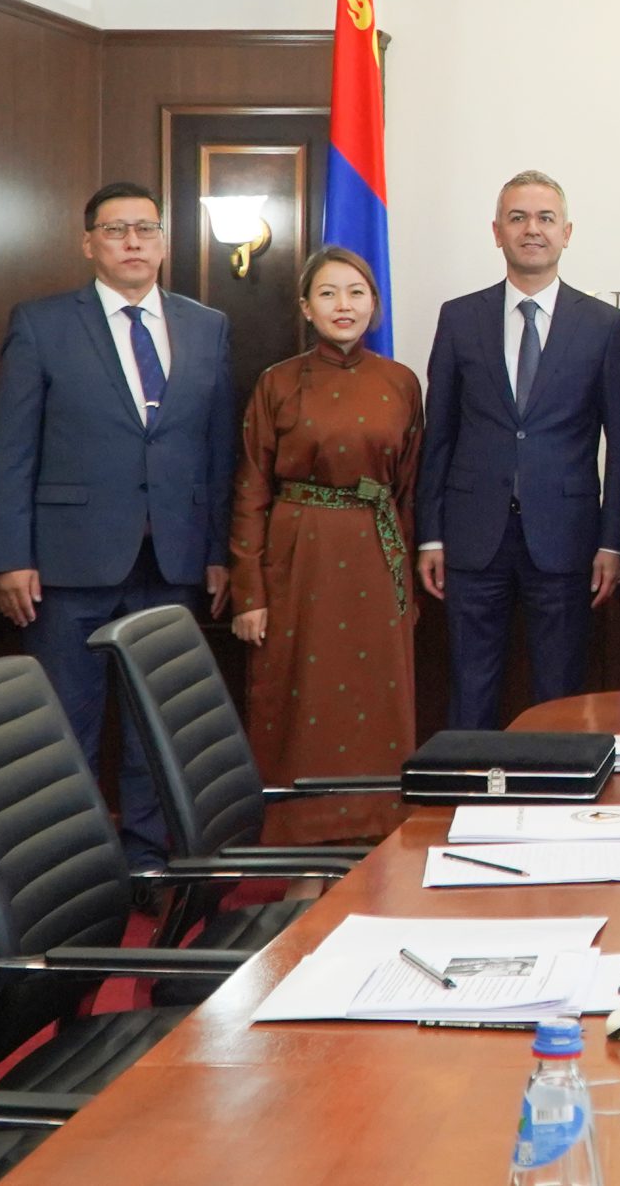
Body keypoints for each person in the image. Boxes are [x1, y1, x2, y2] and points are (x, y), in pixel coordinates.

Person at [0, 182, 236, 878]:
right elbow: (11, 450)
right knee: (68, 725)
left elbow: (218, 452)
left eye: (145, 229)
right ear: (88, 242)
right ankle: (72, 872)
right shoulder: (42, 324)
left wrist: (219, 552)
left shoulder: (207, 326)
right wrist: (9, 556)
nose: (132, 242)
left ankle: (148, 861)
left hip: (174, 559)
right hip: (68, 563)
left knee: (156, 724)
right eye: (116, 229)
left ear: (164, 242)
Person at [418, 170, 620, 724]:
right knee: (470, 691)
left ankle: (551, 784)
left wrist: (613, 543)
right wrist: (431, 534)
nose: (531, 229)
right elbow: (438, 433)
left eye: (545, 218)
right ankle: (469, 781)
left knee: (560, 696)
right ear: (497, 232)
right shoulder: (459, 317)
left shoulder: (603, 325)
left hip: (567, 539)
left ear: (567, 232)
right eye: (517, 218)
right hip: (472, 537)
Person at [225, 247, 423, 843]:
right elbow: (251, 489)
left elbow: (409, 490)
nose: (344, 305)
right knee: (299, 705)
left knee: (378, 708)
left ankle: (376, 846)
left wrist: (407, 585)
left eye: (357, 293)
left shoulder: (401, 382)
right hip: (299, 558)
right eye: (329, 293)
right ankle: (300, 848)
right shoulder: (277, 382)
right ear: (306, 307)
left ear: (375, 306)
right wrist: (249, 593)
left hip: (377, 560)